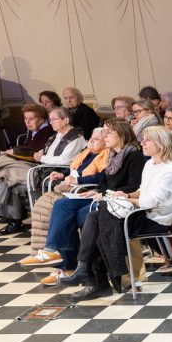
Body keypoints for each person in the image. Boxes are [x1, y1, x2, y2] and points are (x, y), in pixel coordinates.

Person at [59, 126, 172, 300]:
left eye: (148, 140)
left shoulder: (171, 170)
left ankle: (94, 278)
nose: (143, 142)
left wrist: (125, 200)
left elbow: (150, 202)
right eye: (144, 139)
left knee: (101, 221)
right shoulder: (150, 164)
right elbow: (141, 191)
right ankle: (86, 270)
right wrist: (125, 195)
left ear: (161, 144)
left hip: (156, 218)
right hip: (139, 212)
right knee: (95, 217)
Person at [42, 119, 143, 285]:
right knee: (62, 205)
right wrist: (97, 191)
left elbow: (133, 186)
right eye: (103, 132)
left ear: (122, 133)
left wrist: (104, 194)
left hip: (118, 201)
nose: (104, 136)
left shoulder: (134, 156)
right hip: (103, 196)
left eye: (108, 132)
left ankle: (72, 266)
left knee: (77, 216)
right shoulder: (112, 155)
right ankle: (52, 249)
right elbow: (104, 181)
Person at [19, 127, 109, 272]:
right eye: (91, 137)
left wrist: (78, 181)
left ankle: (64, 265)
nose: (91, 141)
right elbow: (74, 168)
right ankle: (57, 259)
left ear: (106, 142)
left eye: (96, 139)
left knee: (60, 212)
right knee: (47, 208)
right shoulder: (87, 152)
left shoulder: (106, 155)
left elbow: (102, 178)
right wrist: (62, 174)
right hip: (69, 190)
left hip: (84, 190)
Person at [0, 106, 86, 234]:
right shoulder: (56, 136)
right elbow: (46, 151)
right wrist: (39, 154)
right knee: (9, 180)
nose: (51, 123)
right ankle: (14, 222)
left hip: (57, 173)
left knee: (9, 180)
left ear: (65, 120)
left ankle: (15, 222)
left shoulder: (76, 138)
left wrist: (43, 157)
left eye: (54, 120)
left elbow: (65, 160)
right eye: (50, 120)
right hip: (42, 170)